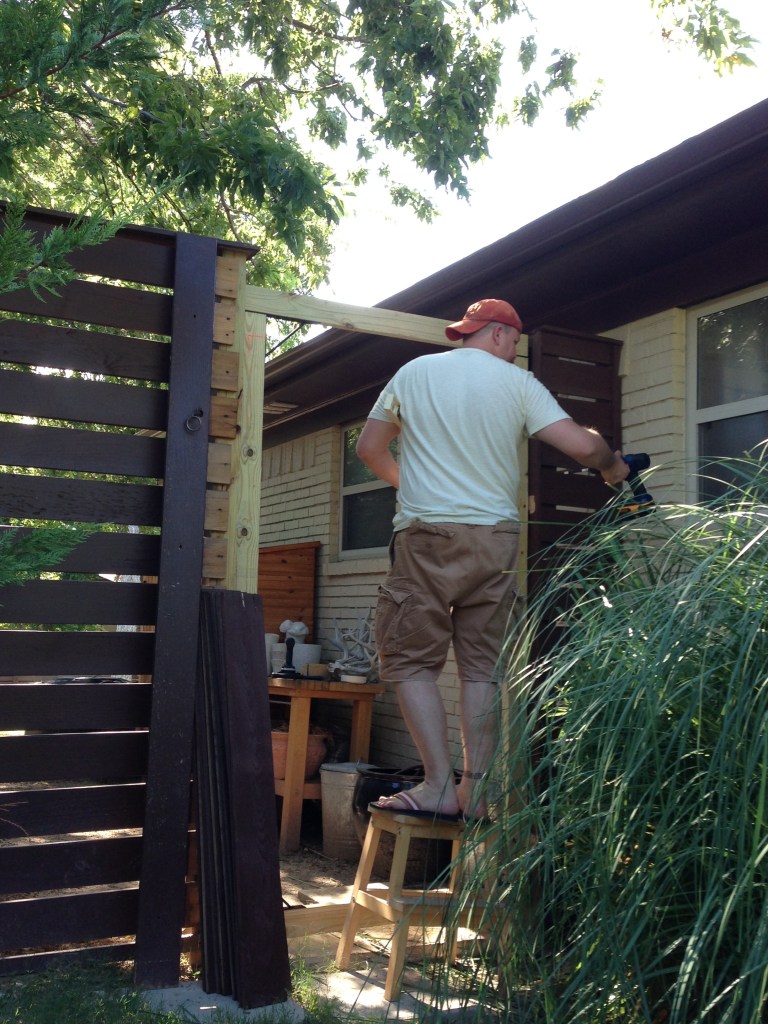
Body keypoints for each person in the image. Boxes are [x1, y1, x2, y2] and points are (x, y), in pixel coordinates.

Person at [356, 298, 629, 821]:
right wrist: (614, 467)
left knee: (411, 660)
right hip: (497, 540)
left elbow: (370, 449)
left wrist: (411, 486)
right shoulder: (519, 383)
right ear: (505, 336)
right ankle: (475, 793)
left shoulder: (414, 373)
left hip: (428, 537)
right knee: (482, 669)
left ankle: (437, 784)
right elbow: (584, 449)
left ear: (473, 332)